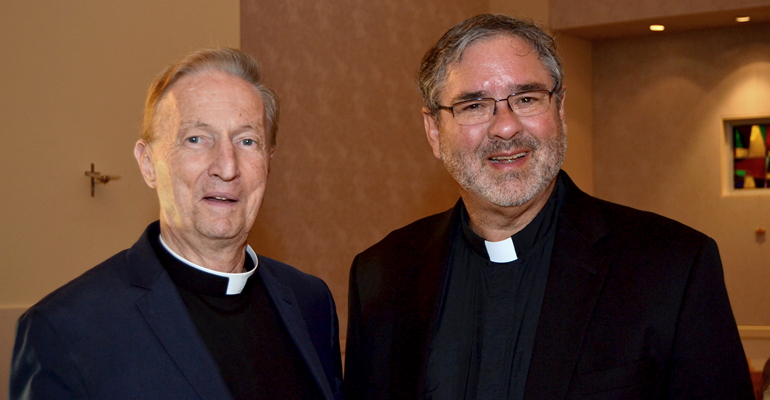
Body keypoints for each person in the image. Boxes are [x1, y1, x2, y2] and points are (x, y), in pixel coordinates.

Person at [344, 14, 754, 400]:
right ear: (434, 131)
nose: (505, 127)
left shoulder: (672, 266)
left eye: (526, 98)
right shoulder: (382, 275)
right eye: (473, 105)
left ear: (559, 110)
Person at [10, 48, 342, 400]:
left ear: (268, 162)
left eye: (247, 141)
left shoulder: (311, 303)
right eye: (196, 139)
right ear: (149, 163)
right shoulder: (67, 328)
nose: (227, 167)